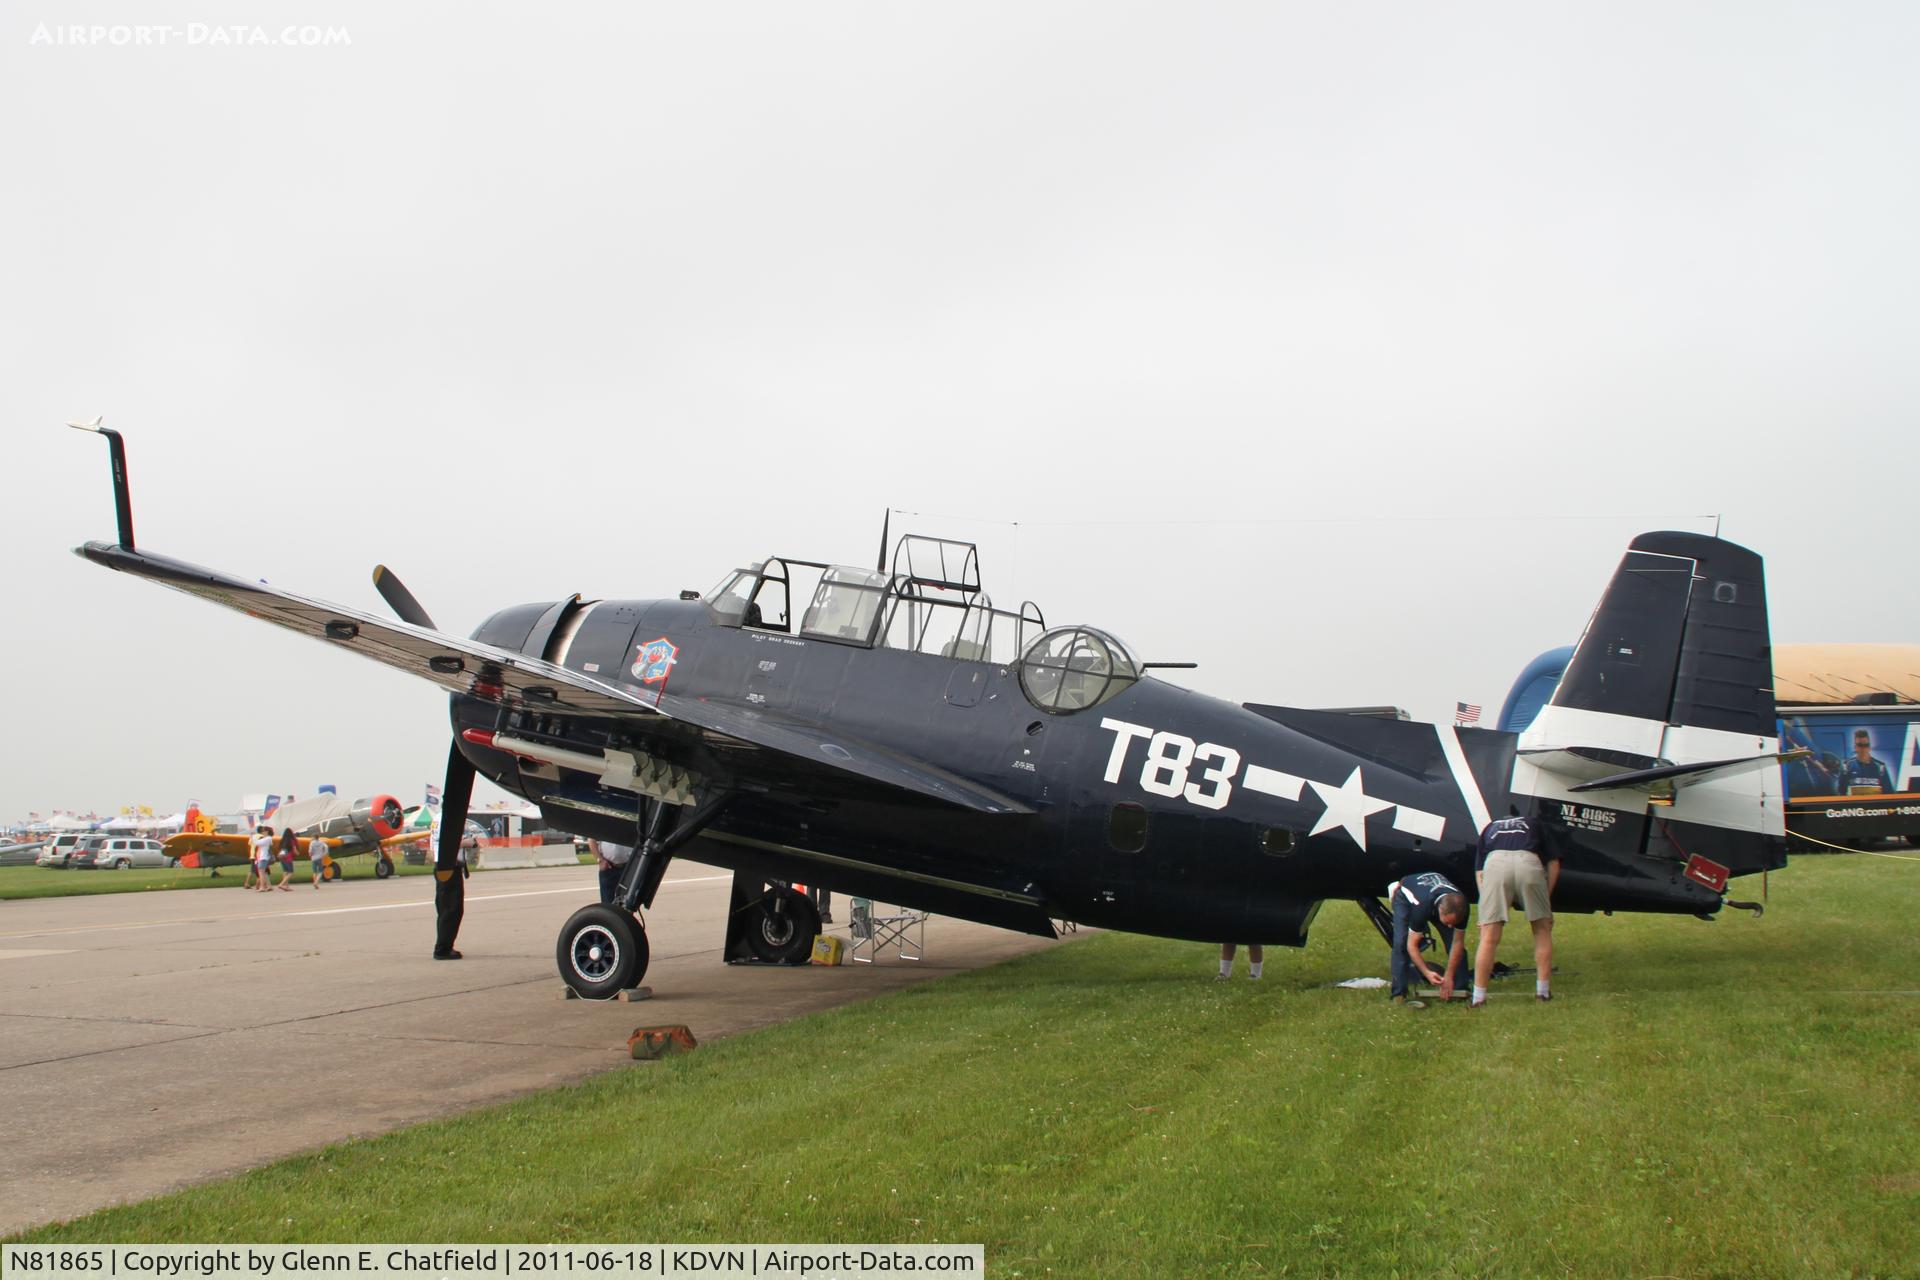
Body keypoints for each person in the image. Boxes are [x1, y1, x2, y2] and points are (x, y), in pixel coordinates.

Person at [1473, 810, 1560, 1005]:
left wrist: (1484, 910)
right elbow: (1553, 863)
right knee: (1541, 930)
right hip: (1527, 861)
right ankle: (1543, 993)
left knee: (1488, 937)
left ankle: (1478, 998)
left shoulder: (1490, 827)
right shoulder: (1535, 823)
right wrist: (1546, 899)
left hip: (1494, 863)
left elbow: (1480, 872)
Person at [1388, 872, 1468, 1007]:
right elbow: (1411, 945)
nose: (1450, 926)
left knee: (1453, 942)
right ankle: (1399, 993)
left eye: (1453, 923)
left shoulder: (1462, 907)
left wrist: (1448, 976)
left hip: (1437, 899)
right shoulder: (1421, 907)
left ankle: (1460, 988)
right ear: (1440, 911)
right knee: (1400, 942)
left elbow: (1457, 943)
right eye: (1447, 922)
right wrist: (1427, 972)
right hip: (1406, 896)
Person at [1837, 729, 1894, 795]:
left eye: (1866, 745)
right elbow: (1840, 794)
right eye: (1860, 745)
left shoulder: (1881, 767)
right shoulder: (1846, 767)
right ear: (1855, 747)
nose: (1863, 748)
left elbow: (1889, 794)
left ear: (1869, 747)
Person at [595, 839, 634, 904]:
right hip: (609, 868)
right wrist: (600, 860)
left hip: (628, 868)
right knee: (608, 902)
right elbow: (592, 841)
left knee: (628, 902)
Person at [249, 826, 275, 893]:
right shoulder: (267, 838)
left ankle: (262, 887)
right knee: (263, 873)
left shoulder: (268, 838)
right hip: (263, 857)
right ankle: (265, 886)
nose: (262, 832)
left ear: (267, 832)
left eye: (264, 831)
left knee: (261, 873)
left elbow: (257, 843)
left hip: (263, 857)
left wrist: (253, 836)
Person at [273, 826, 298, 891]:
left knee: (285, 871)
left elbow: (281, 849)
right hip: (288, 857)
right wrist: (297, 853)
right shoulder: (292, 840)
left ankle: (286, 886)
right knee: (290, 872)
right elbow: (294, 850)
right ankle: (281, 884)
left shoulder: (282, 840)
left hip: (282, 856)